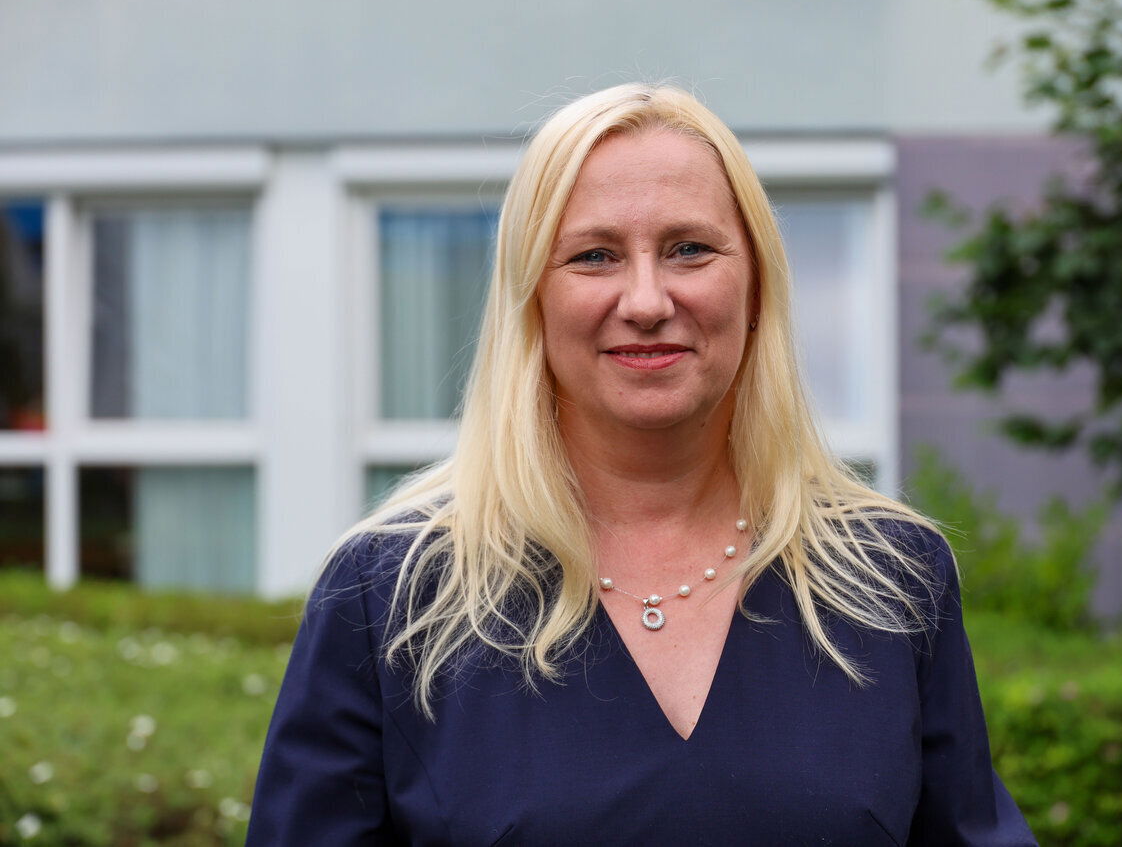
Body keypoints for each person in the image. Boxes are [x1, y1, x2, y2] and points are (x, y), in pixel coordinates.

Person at [247, 83, 1035, 846]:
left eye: (689, 249)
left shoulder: (889, 580)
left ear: (756, 285)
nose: (648, 300)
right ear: (532, 299)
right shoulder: (392, 597)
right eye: (594, 256)